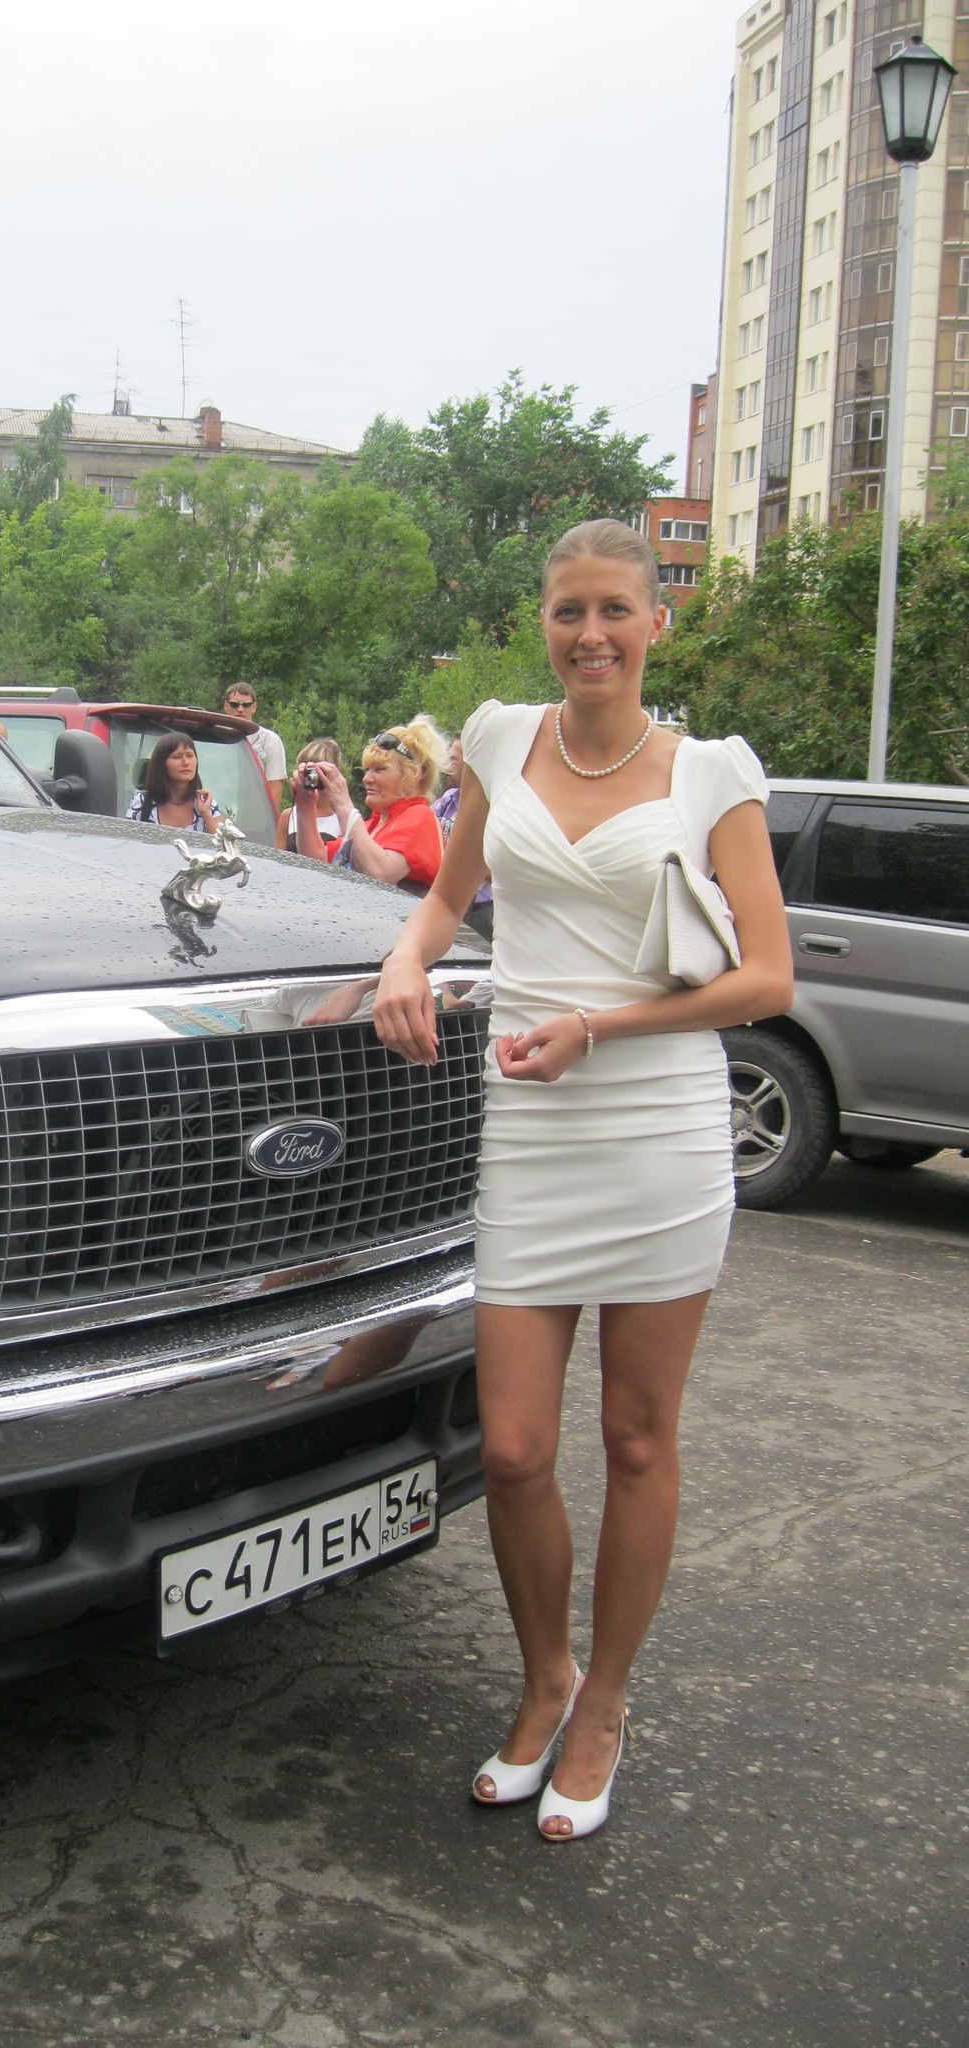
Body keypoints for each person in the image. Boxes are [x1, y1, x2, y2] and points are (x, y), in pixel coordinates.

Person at [371, 519, 792, 1843]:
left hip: (659, 1127)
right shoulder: (498, 741)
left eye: (616, 609)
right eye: (569, 611)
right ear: (544, 621)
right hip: (530, 1127)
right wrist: (404, 959)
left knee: (638, 1437)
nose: (591, 634)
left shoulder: (711, 774)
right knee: (510, 1449)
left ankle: (605, 1698)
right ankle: (545, 1673)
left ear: (657, 621)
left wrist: (600, 1028)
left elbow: (768, 978)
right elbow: (447, 900)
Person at [300, 718, 445, 895]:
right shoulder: (372, 826)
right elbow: (315, 862)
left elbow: (379, 875)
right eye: (367, 769)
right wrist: (305, 806)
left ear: (412, 775)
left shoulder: (421, 817)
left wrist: (343, 804)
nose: (366, 779)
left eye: (379, 769)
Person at [433, 737, 494, 942]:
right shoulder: (448, 800)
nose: (446, 765)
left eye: (453, 759)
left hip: (480, 911)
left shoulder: (493, 806)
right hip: (447, 903)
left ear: (472, 762)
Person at [125, 731, 227, 834]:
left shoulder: (207, 804)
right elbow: (126, 839)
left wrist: (206, 814)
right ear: (161, 764)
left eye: (190, 755)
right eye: (177, 757)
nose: (186, 762)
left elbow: (222, 842)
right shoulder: (142, 802)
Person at [222, 682, 287, 809]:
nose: (240, 710)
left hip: (255, 812)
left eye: (246, 705)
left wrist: (268, 819)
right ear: (226, 706)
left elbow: (275, 786)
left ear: (254, 707)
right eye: (234, 704)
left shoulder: (270, 740)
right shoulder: (214, 738)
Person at [277, 739, 346, 859]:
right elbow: (277, 860)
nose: (315, 778)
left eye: (321, 771)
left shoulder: (343, 819)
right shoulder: (288, 816)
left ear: (337, 772)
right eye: (309, 773)